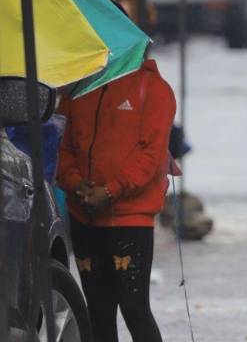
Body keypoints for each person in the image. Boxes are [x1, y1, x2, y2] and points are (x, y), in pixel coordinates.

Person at [57, 55, 175, 342]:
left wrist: (111, 190)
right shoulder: (79, 88)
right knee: (97, 310)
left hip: (130, 218)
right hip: (84, 213)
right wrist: (75, 183)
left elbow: (151, 155)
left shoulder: (154, 88)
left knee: (134, 307)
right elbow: (62, 143)